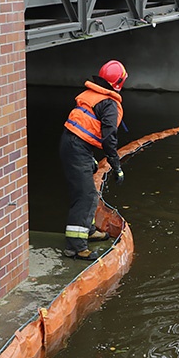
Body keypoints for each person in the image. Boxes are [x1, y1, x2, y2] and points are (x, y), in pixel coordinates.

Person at [59, 60, 128, 261]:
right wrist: (116, 166)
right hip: (77, 147)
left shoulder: (94, 97)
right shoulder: (109, 104)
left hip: (72, 144)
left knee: (84, 190)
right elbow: (109, 138)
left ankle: (87, 230)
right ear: (118, 83)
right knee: (87, 196)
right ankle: (76, 248)